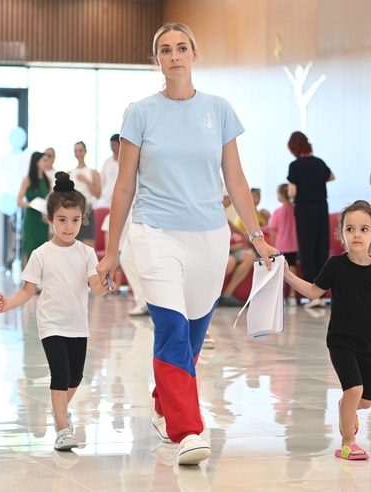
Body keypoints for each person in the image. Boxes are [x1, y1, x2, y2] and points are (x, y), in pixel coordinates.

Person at [96, 22, 278, 466]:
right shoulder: (139, 112)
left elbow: (235, 178)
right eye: (165, 49)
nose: (174, 55)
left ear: (194, 54)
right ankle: (187, 430)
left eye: (181, 47)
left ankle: (164, 402)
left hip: (210, 235)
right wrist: (111, 250)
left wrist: (256, 238)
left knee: (193, 337)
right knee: (172, 328)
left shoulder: (219, 109)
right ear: (155, 59)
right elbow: (124, 187)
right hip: (154, 231)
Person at [0, 172, 108, 451]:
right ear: (50, 219)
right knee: (60, 373)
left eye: (75, 220)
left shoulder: (86, 253)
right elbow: (28, 290)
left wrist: (107, 283)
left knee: (76, 377)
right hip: (51, 324)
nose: (69, 227)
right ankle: (62, 428)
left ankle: (59, 412)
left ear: (83, 219)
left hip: (78, 324)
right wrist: (9, 303)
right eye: (62, 220)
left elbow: (97, 288)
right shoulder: (41, 253)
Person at [282, 200, 371, 460]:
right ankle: (348, 442)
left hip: (367, 343)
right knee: (353, 389)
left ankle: (348, 407)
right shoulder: (335, 265)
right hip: (340, 341)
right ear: (341, 234)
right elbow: (313, 291)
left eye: (364, 229)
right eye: (350, 229)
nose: (357, 234)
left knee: (365, 401)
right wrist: (287, 275)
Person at [287, 131, 334, 308]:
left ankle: (313, 295)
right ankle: (322, 293)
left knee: (307, 251)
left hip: (305, 209)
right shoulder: (319, 162)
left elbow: (293, 192)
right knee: (321, 249)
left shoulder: (295, 165)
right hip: (322, 207)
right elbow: (332, 176)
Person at [18, 151, 54, 267]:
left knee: (42, 249)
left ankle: (39, 279)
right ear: (36, 162)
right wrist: (32, 204)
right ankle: (28, 278)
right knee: (29, 247)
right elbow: (19, 201)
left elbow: (49, 197)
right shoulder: (28, 180)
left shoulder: (47, 179)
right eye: (44, 160)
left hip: (42, 220)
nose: (46, 162)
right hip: (31, 219)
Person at [268, 183, 299, 306]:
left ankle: (281, 296)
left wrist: (273, 245)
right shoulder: (296, 210)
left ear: (280, 195)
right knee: (292, 267)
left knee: (281, 270)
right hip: (294, 245)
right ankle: (292, 295)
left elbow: (273, 229)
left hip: (280, 245)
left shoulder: (277, 212)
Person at [69, 141, 101, 248]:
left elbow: (98, 194)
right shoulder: (70, 173)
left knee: (89, 246)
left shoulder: (92, 172)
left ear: (85, 152)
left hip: (87, 210)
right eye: (76, 151)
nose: (78, 153)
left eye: (80, 150)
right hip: (73, 211)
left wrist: (86, 181)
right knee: (72, 247)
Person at [96, 134, 120, 208]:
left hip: (122, 199)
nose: (112, 148)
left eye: (114, 145)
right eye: (111, 145)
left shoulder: (127, 162)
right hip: (107, 202)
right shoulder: (107, 162)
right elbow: (101, 181)